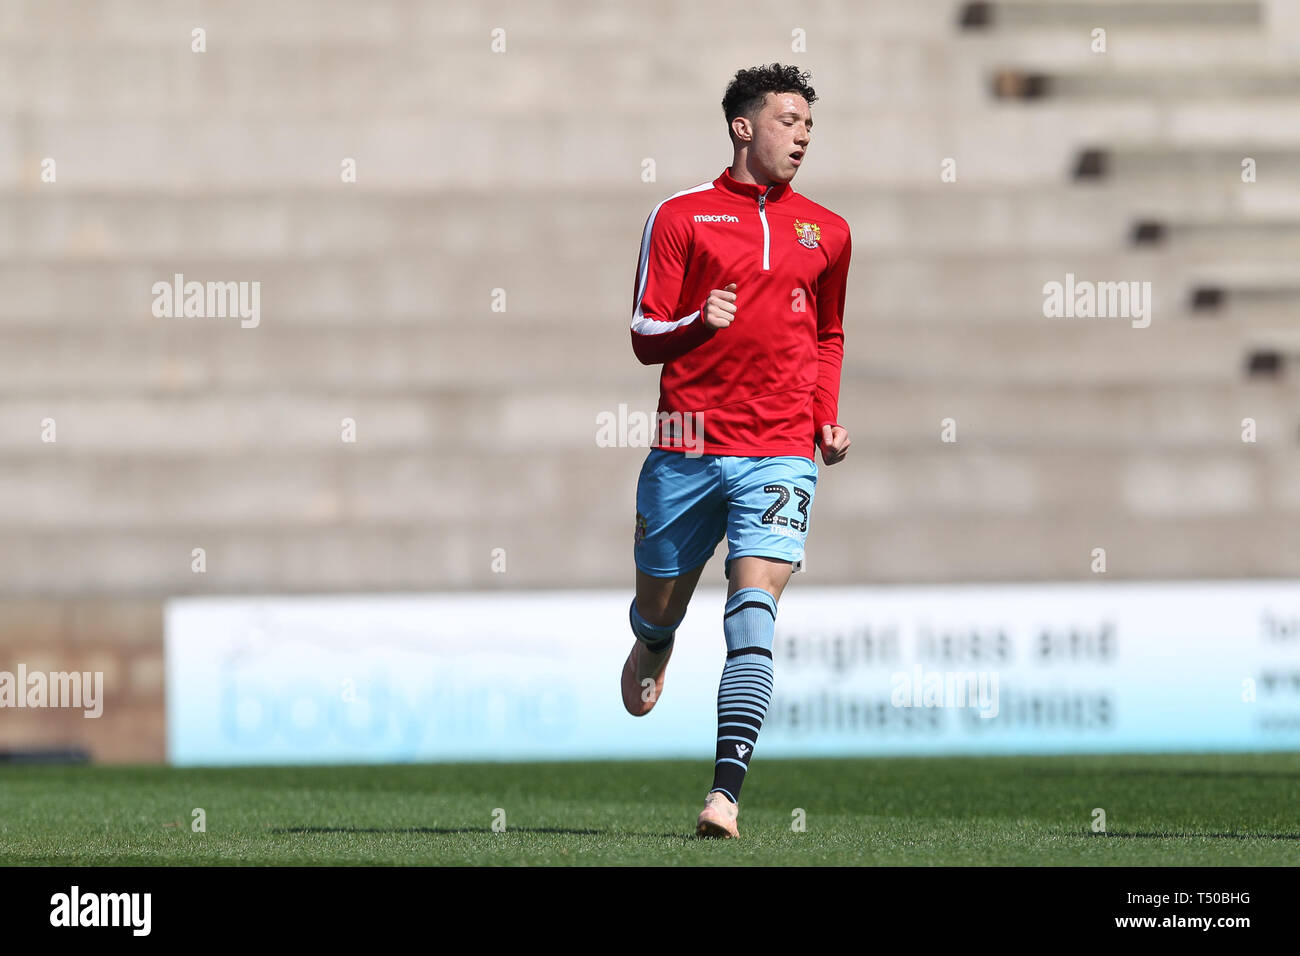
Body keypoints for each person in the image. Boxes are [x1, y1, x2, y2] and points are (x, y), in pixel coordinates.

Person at [623, 63, 853, 838]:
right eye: (789, 122)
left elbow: (828, 334)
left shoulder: (829, 230)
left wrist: (823, 416)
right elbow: (643, 334)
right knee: (662, 606)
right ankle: (653, 642)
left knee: (753, 610)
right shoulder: (682, 215)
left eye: (810, 126)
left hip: (781, 447)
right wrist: (698, 322)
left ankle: (725, 792)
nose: (803, 137)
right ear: (743, 126)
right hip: (686, 444)